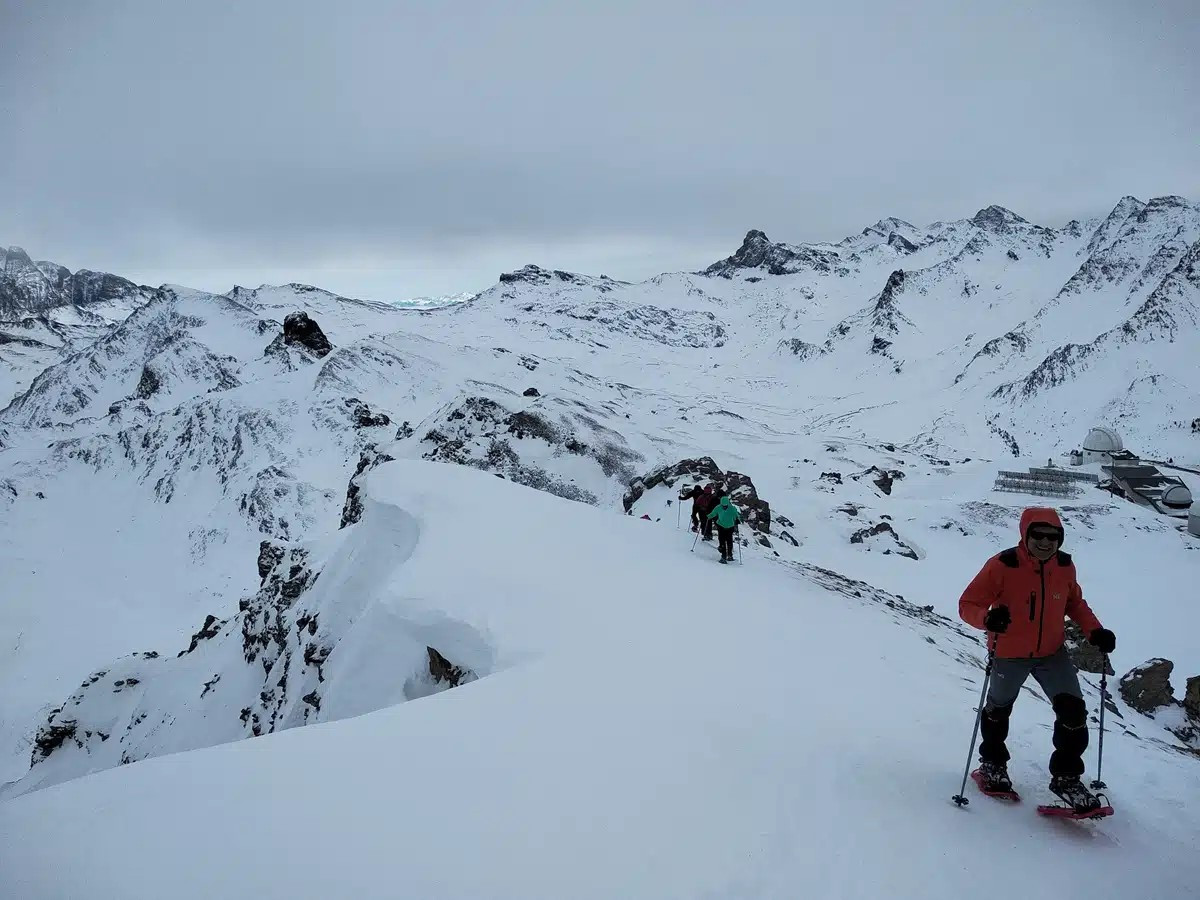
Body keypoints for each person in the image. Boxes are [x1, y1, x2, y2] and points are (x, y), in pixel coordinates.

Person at [959, 507, 1116, 811]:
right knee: (998, 710)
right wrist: (987, 618)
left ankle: (1067, 777)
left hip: (1052, 652)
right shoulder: (1002, 565)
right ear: (1025, 535)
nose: (1045, 542)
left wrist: (1095, 631)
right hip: (1008, 652)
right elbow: (968, 604)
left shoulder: (1065, 567)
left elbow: (1075, 603)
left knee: (1073, 711)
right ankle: (992, 765)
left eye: (1053, 536)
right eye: (1038, 536)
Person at [706, 493, 741, 563]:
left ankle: (725, 556)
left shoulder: (720, 507)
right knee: (728, 541)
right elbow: (736, 516)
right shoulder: (731, 508)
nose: (724, 507)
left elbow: (737, 516)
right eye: (723, 506)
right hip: (726, 526)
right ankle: (727, 555)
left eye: (725, 506)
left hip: (724, 526)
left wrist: (708, 516)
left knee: (724, 540)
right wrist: (737, 520)